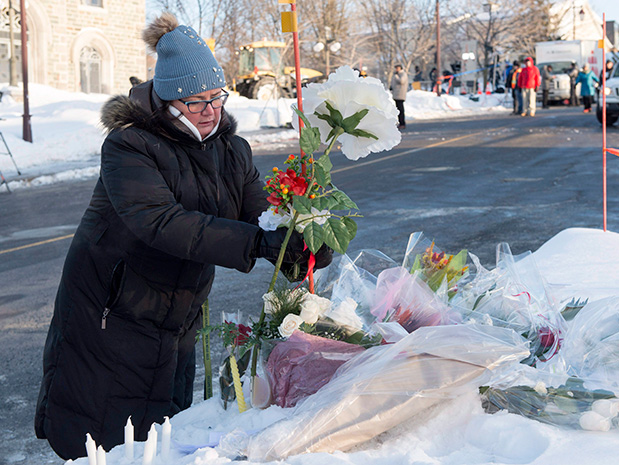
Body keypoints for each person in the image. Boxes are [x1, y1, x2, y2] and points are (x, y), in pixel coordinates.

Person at [34, 13, 331, 460]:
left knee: (162, 434)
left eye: (217, 98)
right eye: (197, 102)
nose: (211, 111)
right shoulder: (129, 146)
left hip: (176, 317)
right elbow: (162, 222)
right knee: (105, 437)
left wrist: (296, 242)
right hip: (111, 314)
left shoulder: (232, 149)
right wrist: (256, 246)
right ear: (169, 101)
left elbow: (261, 216)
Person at [391, 64, 409, 129]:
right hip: (396, 94)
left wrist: (396, 76)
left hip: (400, 94)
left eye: (397, 68)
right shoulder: (397, 74)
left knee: (401, 110)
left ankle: (402, 123)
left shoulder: (402, 74)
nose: (396, 69)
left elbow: (402, 81)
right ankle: (400, 122)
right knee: (398, 109)